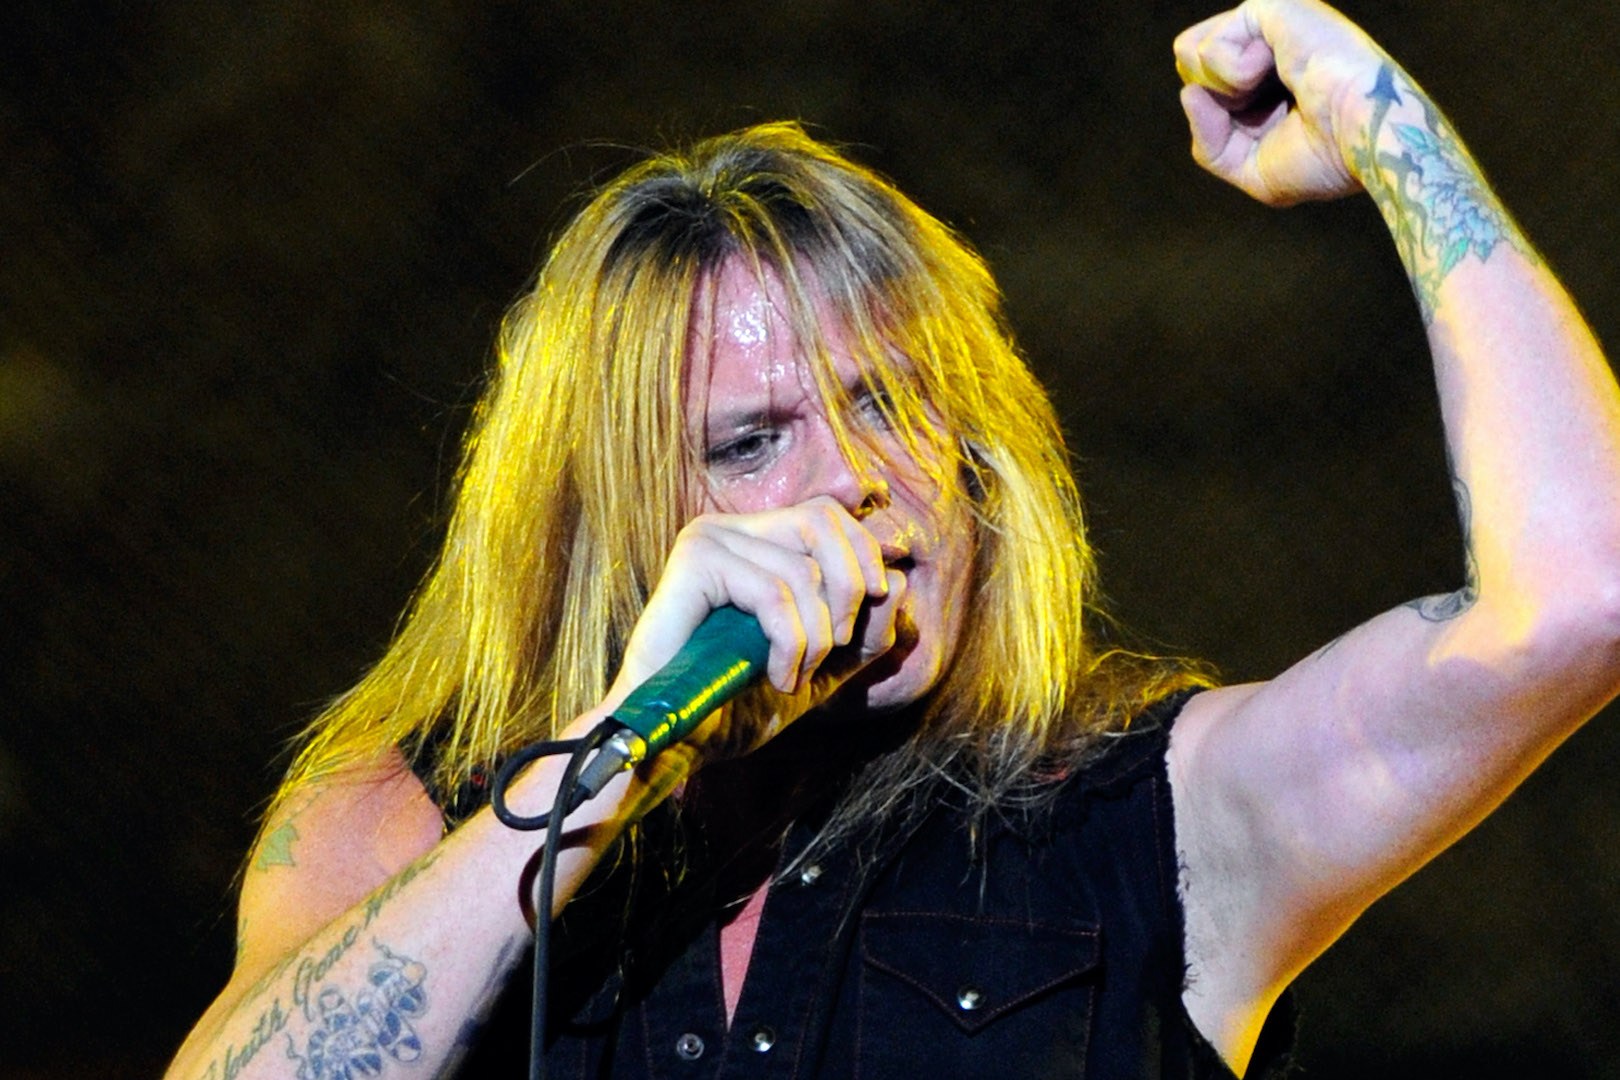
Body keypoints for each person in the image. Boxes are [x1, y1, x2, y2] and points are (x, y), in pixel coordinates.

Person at [165, 1, 1620, 1076]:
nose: (858, 481)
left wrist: (1382, 121)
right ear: (620, 519)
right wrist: (613, 756)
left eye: (888, 403)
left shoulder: (1157, 817)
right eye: (752, 442)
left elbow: (1581, 598)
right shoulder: (406, 817)